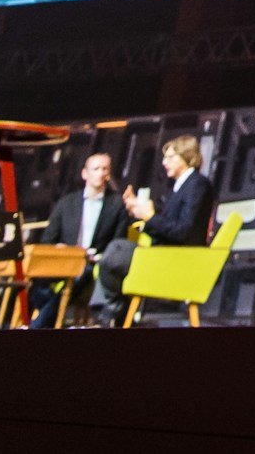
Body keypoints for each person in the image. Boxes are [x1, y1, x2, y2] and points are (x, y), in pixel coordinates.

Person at [95, 135, 217, 322]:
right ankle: (116, 311)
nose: (164, 162)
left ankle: (112, 311)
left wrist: (150, 217)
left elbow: (183, 231)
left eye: (170, 157)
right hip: (164, 253)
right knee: (114, 251)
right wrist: (141, 213)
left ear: (186, 157)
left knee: (114, 253)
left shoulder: (197, 185)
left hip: (178, 259)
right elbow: (167, 225)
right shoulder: (182, 185)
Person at [30, 151, 126, 329]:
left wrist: (97, 256)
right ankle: (46, 317)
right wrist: (59, 249)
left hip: (89, 262)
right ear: (85, 173)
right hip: (63, 258)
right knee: (36, 278)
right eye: (96, 168)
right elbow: (48, 239)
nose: (101, 173)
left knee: (81, 274)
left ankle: (38, 326)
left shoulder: (116, 205)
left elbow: (118, 243)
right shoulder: (66, 203)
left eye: (105, 169)